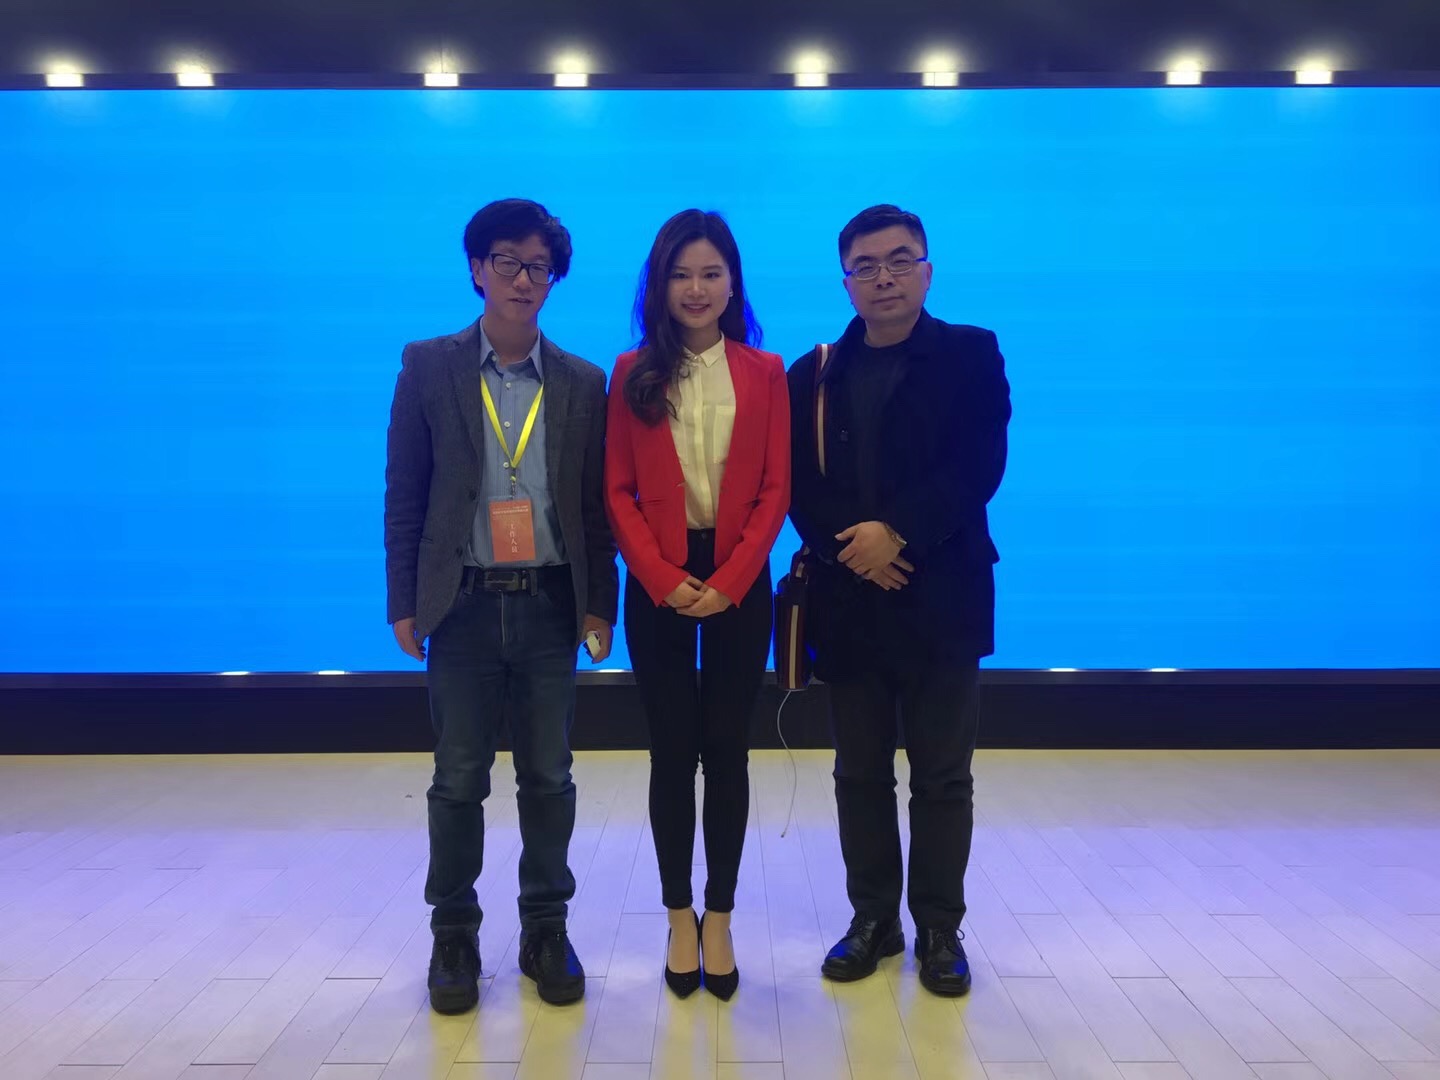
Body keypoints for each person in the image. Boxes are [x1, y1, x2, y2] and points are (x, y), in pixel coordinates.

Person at [384, 198, 618, 1013]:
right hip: (462, 606)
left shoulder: (584, 381)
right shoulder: (428, 366)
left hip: (552, 604)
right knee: (457, 779)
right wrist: (404, 601)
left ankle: (545, 928)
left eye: (539, 266)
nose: (524, 279)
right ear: (478, 269)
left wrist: (600, 606)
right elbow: (405, 492)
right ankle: (453, 932)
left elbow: (593, 508)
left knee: (549, 778)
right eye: (508, 262)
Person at [787, 204, 1010, 997]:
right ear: (845, 280)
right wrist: (858, 550)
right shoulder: (813, 373)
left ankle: (940, 929)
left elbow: (978, 466)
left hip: (943, 596)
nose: (884, 277)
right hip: (852, 599)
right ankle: (873, 919)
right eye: (866, 266)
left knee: (942, 776)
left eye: (900, 260)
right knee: (859, 773)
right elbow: (799, 486)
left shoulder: (971, 352)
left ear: (927, 269)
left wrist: (898, 535)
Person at [605, 210, 790, 1000]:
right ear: (659, 285)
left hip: (740, 577)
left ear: (733, 282)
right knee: (672, 752)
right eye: (680, 274)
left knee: (729, 750)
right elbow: (616, 489)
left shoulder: (766, 371)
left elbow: (777, 488)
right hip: (659, 577)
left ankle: (720, 916)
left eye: (711, 273)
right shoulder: (631, 372)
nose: (696, 288)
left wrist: (735, 577)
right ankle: (678, 914)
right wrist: (657, 574)